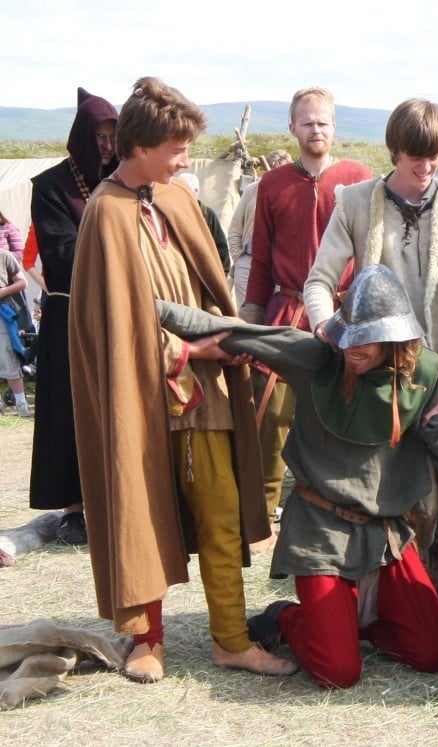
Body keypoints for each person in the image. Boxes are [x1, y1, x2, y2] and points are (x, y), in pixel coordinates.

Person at [158, 264, 438, 688]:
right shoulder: (314, 358)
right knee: (338, 672)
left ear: (394, 338)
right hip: (321, 531)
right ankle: (289, 618)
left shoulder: (421, 371)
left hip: (384, 535)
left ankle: (345, 628)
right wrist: (149, 307)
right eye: (348, 337)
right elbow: (231, 331)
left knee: (433, 655)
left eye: (365, 341)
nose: (352, 350)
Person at [68, 76, 297, 683]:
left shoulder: (175, 200)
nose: (185, 158)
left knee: (220, 516)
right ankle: (147, 639)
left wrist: (228, 340)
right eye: (176, 148)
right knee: (139, 512)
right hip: (138, 394)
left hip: (204, 395)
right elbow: (110, 324)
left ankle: (229, 638)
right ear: (140, 146)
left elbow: (208, 287)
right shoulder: (106, 214)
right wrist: (190, 347)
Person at [304, 98, 438, 648]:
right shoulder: (357, 203)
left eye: (434, 160)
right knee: (385, 491)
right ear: (394, 151)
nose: (426, 170)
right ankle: (384, 605)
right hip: (379, 375)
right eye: (415, 161)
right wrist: (328, 332)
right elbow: (319, 281)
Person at [240, 88, 372, 535]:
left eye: (323, 122)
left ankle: (341, 502)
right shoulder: (272, 184)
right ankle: (262, 509)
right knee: (272, 411)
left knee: (343, 408)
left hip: (345, 311)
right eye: (307, 122)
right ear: (292, 128)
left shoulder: (359, 178)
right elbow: (260, 258)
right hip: (286, 309)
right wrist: (251, 318)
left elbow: (373, 253)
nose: (316, 129)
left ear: (334, 127)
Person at [28, 87, 119, 545]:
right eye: (99, 136)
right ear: (82, 136)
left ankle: (119, 495)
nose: (106, 145)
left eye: (112, 135)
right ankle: (73, 507)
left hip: (121, 312)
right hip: (70, 311)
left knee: (117, 401)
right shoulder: (50, 186)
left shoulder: (125, 179)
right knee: (68, 406)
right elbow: (60, 255)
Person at [227, 149, 293, 309]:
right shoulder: (253, 190)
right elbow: (235, 227)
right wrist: (239, 257)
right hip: (249, 262)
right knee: (248, 316)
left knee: (274, 317)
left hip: (278, 267)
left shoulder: (293, 194)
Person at [176, 172, 230, 274]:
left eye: (185, 191)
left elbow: (221, 246)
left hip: (202, 272)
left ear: (196, 191)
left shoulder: (207, 215)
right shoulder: (171, 213)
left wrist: (223, 274)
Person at [0, 248, 31, 418]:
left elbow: (22, 282)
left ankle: (21, 403)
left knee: (8, 356)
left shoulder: (4, 255)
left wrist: (3, 291)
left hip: (2, 311)